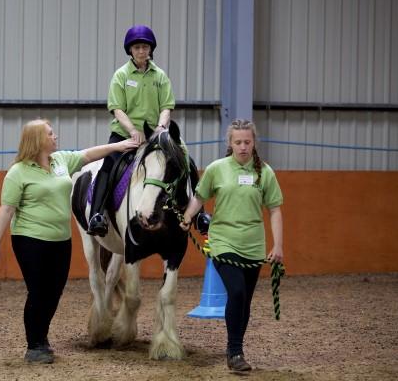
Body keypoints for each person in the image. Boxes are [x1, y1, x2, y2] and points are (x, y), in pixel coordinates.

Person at [0, 119, 138, 364]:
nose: (55, 136)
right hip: (29, 240)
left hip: (60, 240)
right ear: (38, 140)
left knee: (54, 292)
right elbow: (6, 210)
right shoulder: (18, 172)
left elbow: (88, 155)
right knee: (38, 292)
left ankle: (42, 337)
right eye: (50, 133)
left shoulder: (61, 161)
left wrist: (118, 146)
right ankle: (34, 344)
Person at [179, 119, 284, 373]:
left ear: (254, 142)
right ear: (230, 143)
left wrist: (278, 245)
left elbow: (274, 210)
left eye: (247, 141)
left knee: (245, 301)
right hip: (223, 242)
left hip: (253, 246)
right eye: (238, 142)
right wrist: (187, 217)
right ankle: (235, 350)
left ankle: (236, 347)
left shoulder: (264, 172)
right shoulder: (217, 169)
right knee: (236, 293)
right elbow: (200, 197)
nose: (243, 146)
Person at [87, 24, 175, 236]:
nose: (141, 51)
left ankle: (196, 214)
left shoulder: (160, 76)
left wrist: (161, 127)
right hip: (124, 134)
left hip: (155, 136)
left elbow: (166, 107)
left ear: (151, 49)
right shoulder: (121, 76)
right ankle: (97, 215)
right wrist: (133, 131)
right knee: (108, 167)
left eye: (145, 47)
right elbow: (117, 108)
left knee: (182, 160)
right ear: (130, 50)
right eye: (137, 47)